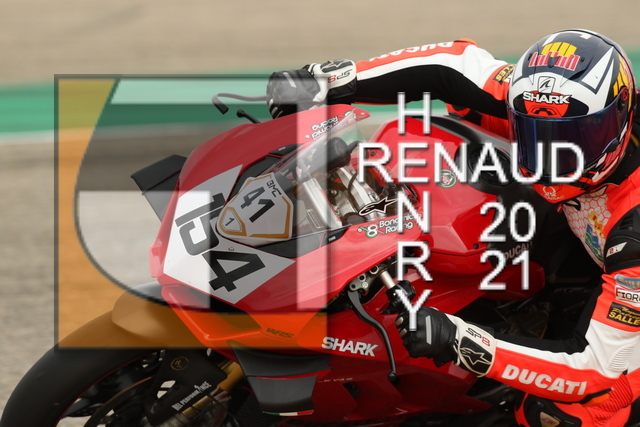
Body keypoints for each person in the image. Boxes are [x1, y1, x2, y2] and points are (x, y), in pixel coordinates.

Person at [266, 29, 640, 427]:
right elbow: (453, 65)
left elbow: (594, 370)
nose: (551, 153)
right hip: (597, 245)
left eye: (574, 138)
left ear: (621, 114)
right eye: (536, 133)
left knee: (571, 412)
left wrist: (461, 340)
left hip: (618, 317)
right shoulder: (552, 101)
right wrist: (331, 81)